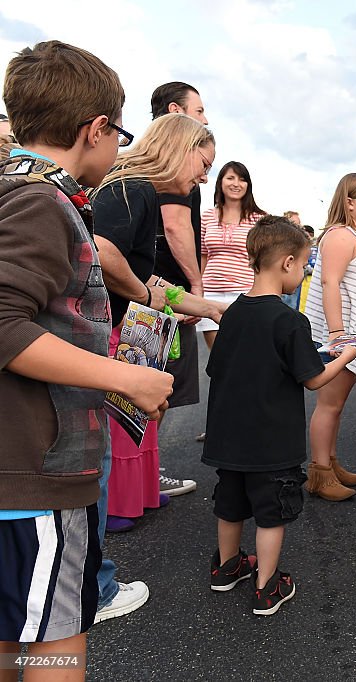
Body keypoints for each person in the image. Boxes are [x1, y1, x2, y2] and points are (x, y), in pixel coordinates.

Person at [0, 40, 173, 679]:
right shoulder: (41, 202)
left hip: (14, 467)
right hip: (35, 475)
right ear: (95, 129)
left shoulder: (15, 190)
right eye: (117, 134)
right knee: (53, 641)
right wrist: (125, 375)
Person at [203, 215, 356, 616]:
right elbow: (312, 378)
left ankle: (227, 567)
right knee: (271, 513)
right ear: (287, 262)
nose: (305, 273)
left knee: (230, 504)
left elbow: (218, 368)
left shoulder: (232, 313)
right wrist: (345, 357)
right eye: (305, 264)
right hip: (270, 441)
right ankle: (267, 586)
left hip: (228, 436)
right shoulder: (290, 320)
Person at [91, 114, 223, 542]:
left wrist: (208, 306)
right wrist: (145, 297)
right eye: (202, 165)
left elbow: (145, 277)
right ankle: (113, 505)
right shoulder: (131, 188)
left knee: (140, 418)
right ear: (178, 150)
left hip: (126, 325)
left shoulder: (142, 192)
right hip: (109, 327)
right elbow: (106, 254)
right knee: (121, 418)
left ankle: (141, 493)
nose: (204, 177)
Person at [303, 173, 356, 501]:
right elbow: (329, 283)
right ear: (349, 202)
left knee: (337, 406)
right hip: (341, 336)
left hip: (352, 335)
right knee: (329, 405)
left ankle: (330, 464)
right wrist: (338, 336)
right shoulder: (340, 236)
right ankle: (319, 473)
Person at [150, 80, 210, 475]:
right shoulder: (173, 165)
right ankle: (142, 475)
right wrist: (196, 285)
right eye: (200, 111)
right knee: (154, 387)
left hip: (152, 290)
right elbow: (175, 226)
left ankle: (141, 475)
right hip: (163, 296)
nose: (206, 118)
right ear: (176, 112)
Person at [196, 161, 266, 350]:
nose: (236, 184)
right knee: (218, 356)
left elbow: (265, 261)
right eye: (231, 178)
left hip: (245, 293)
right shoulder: (207, 216)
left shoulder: (259, 219)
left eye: (242, 179)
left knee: (246, 353)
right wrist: (197, 289)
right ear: (220, 182)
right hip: (211, 294)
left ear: (248, 185)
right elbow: (202, 256)